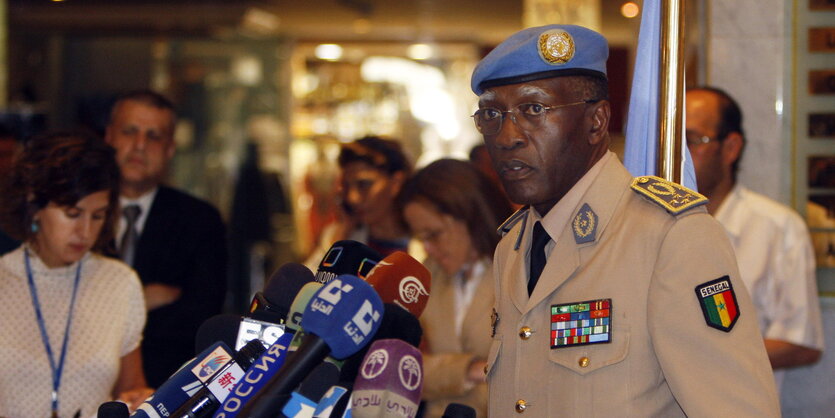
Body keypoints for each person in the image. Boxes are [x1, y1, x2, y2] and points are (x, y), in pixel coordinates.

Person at [471, 24, 779, 416]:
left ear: (597, 122)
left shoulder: (669, 236)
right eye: (491, 114)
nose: (506, 136)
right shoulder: (513, 247)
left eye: (534, 110)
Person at [0, 132, 151, 416]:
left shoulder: (119, 282)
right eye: (72, 213)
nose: (85, 232)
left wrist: (142, 400)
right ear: (34, 205)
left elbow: (131, 390)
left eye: (98, 216)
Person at [686, 86, 824, 390]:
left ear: (731, 147)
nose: (678, 157)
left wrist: (695, 355)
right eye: (672, 142)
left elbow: (801, 342)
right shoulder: (648, 223)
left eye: (692, 141)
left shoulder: (776, 227)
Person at [105, 90, 228, 387]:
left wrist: (103, 311)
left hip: (165, 388)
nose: (139, 146)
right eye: (129, 131)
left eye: (154, 136)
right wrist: (139, 302)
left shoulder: (199, 220)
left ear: (171, 148)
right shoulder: (79, 212)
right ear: (108, 137)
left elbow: (201, 317)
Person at [398, 158, 512, 417]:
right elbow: (401, 368)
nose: (427, 248)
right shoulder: (425, 276)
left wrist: (442, 374)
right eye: (420, 238)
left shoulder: (520, 268)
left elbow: (530, 369)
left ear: (471, 216)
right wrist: (470, 369)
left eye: (434, 234)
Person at [305, 136, 412, 268]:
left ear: (396, 182)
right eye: (346, 186)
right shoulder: (339, 236)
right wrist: (342, 236)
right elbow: (310, 285)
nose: (352, 198)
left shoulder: (426, 242)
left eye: (364, 184)